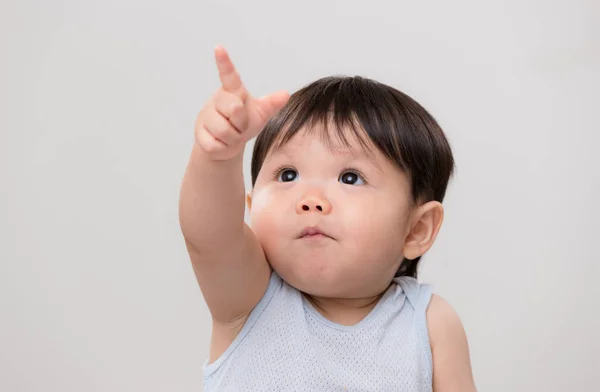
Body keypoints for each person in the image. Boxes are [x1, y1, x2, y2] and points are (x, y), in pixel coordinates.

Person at [179, 46, 477, 392]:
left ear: (417, 229)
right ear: (249, 207)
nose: (311, 201)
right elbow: (210, 236)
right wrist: (217, 157)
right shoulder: (249, 299)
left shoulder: (429, 324)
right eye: (288, 175)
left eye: (350, 178)